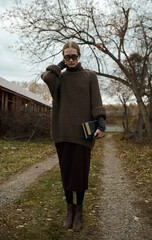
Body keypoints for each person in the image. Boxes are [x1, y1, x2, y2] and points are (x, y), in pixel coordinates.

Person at [41, 41, 106, 230]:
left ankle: (79, 211)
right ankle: (69, 210)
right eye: (67, 56)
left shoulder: (90, 76)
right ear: (63, 57)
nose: (71, 60)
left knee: (80, 174)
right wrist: (59, 67)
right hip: (62, 133)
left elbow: (96, 102)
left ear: (79, 56)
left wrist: (101, 123)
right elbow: (46, 77)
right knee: (66, 173)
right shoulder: (58, 78)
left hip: (83, 134)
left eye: (74, 56)